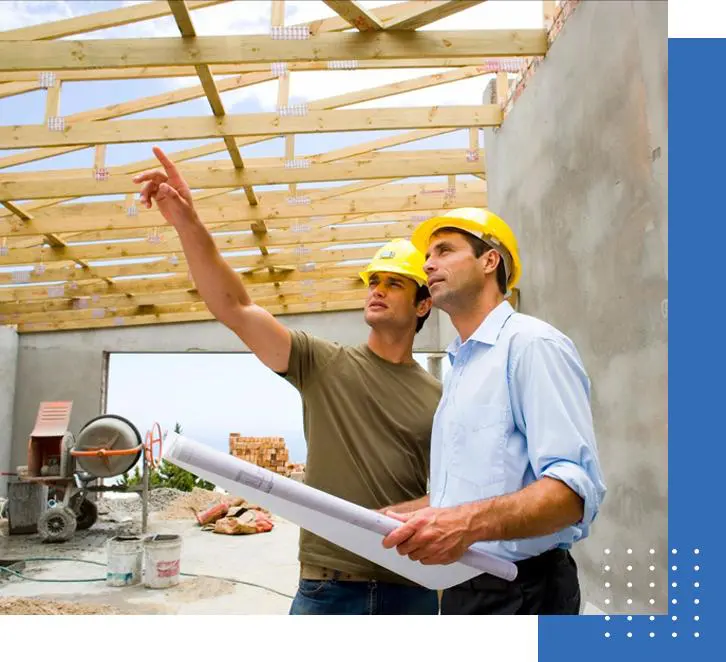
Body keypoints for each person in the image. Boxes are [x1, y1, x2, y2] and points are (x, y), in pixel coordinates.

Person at [132, 146, 442, 615]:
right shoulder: (322, 363)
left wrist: (420, 509)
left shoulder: (441, 397)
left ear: (423, 305)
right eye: (373, 280)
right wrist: (187, 223)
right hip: (328, 588)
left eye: (395, 282)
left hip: (413, 587)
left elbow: (458, 489)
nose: (376, 289)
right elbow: (235, 308)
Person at [381, 207, 607, 615]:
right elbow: (472, 493)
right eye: (427, 256)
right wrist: (391, 518)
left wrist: (465, 525)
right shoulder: (463, 365)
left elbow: (573, 491)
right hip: (466, 587)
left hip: (524, 593)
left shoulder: (531, 346)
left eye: (444, 250)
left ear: (490, 260)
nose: (428, 264)